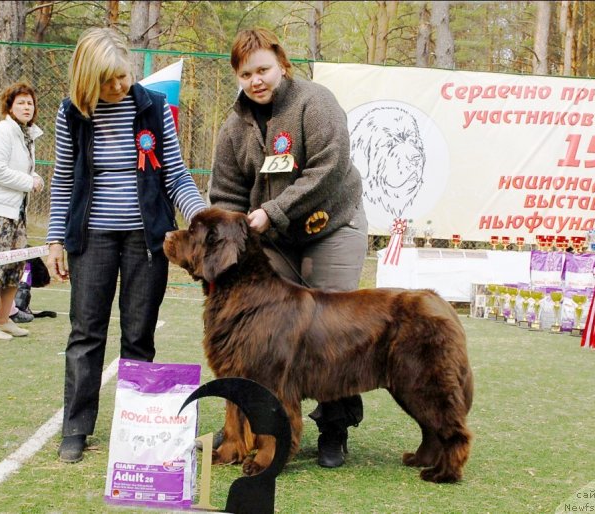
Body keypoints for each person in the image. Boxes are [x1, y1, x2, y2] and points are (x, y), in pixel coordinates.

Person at [46, 27, 207, 464]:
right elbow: (63, 180)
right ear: (86, 79)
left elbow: (175, 174)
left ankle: (134, 427)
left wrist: (201, 217)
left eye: (123, 75)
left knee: (139, 336)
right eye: (108, 80)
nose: (119, 86)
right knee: (86, 334)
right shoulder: (71, 114)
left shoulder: (153, 107)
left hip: (146, 241)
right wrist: (55, 238)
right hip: (91, 238)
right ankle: (76, 428)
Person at [209, 27, 368, 468]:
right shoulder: (232, 128)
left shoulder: (315, 102)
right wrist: (230, 242)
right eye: (246, 74)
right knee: (263, 332)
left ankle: (334, 427)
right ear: (237, 77)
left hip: (332, 224)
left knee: (333, 329)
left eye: (263, 69)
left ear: (282, 62)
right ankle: (264, 425)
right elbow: (225, 196)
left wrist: (272, 211)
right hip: (274, 239)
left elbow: (330, 167)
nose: (256, 80)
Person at [0, 84, 44, 340]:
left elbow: (22, 169)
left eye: (30, 103)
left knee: (13, 269)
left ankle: (4, 320)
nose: (27, 107)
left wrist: (36, 177)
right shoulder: (2, 132)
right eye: (21, 102)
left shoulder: (26, 135)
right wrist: (28, 182)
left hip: (16, 212)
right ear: (10, 106)